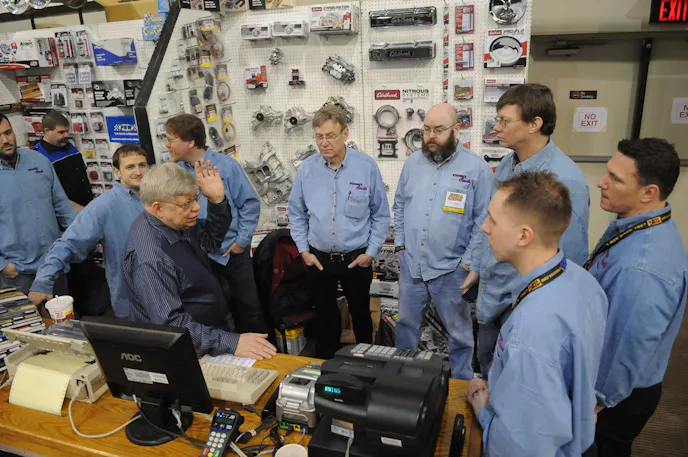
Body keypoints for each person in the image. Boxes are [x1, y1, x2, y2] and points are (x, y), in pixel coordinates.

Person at [466, 171, 607, 457]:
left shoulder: (530, 331)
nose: (484, 227)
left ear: (524, 235)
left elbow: (520, 448)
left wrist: (483, 410)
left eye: (493, 219)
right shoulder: (583, 281)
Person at [474, 83, 591, 378]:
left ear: (534, 124)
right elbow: (491, 221)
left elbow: (570, 259)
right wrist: (477, 266)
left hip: (523, 305)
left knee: (517, 381)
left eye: (505, 121)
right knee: (490, 376)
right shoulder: (507, 165)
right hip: (494, 296)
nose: (496, 127)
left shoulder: (565, 181)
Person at [589, 139, 686, 457]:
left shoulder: (640, 268)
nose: (602, 183)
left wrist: (596, 401)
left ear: (649, 193)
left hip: (615, 396)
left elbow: (625, 348)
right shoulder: (640, 227)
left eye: (615, 179)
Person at [122, 161, 276, 359]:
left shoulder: (173, 222)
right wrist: (232, 342)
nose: (196, 207)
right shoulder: (151, 259)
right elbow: (172, 327)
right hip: (186, 352)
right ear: (158, 207)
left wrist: (217, 201)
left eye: (196, 199)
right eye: (186, 204)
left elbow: (210, 241)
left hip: (206, 335)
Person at [393, 103, 495, 380]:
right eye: (427, 129)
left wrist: (469, 263)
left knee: (460, 335)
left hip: (452, 270)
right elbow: (400, 205)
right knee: (405, 326)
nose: (431, 136)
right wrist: (401, 245)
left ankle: (461, 385)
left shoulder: (476, 169)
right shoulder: (412, 164)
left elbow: (484, 220)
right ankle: (402, 380)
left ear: (456, 130)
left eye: (438, 130)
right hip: (412, 265)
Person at [288, 105, 390, 359]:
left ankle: (367, 363)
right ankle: (328, 366)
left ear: (345, 134)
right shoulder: (306, 170)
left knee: (361, 315)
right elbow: (296, 214)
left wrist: (370, 253)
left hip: (356, 259)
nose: (324, 143)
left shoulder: (366, 167)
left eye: (330, 136)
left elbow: (380, 215)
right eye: (319, 137)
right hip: (319, 259)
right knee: (324, 318)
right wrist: (304, 251)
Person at [164, 114, 267, 334]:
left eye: (171, 139)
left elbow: (249, 204)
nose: (167, 145)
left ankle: (261, 351)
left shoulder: (226, 167)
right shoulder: (175, 173)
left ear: (190, 142)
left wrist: (241, 241)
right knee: (207, 311)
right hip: (199, 255)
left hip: (232, 252)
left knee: (249, 309)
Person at [28, 145, 148, 318]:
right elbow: (69, 244)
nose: (138, 172)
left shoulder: (158, 197)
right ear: (117, 171)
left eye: (142, 165)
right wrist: (43, 280)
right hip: (134, 304)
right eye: (130, 167)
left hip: (170, 296)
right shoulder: (103, 206)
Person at [0, 113, 76, 295]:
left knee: (64, 314)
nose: (5, 140)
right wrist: (3, 266)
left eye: (8, 133)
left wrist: (76, 243)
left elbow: (63, 207)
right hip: (18, 274)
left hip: (54, 266)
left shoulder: (39, 161)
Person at [33, 110, 93, 211]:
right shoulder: (38, 157)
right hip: (67, 213)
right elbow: (48, 195)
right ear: (47, 131)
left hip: (86, 207)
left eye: (67, 131)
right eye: (61, 132)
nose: (66, 135)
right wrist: (80, 210)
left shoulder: (69, 146)